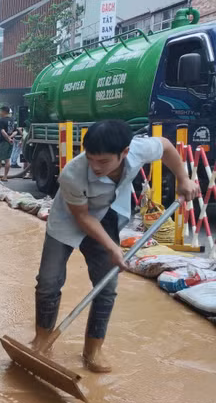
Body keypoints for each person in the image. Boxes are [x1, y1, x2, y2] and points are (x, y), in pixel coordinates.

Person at [34, 120, 198, 372]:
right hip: (68, 219)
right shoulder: (72, 173)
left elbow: (166, 146)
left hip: (107, 215)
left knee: (106, 285)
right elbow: (83, 217)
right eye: (91, 159)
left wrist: (183, 179)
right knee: (48, 282)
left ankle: (93, 349)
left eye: (103, 161)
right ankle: (41, 341)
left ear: (124, 152)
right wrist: (113, 248)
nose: (95, 167)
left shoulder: (138, 149)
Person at [0, 106, 14, 181]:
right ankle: (5, 176)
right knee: (7, 160)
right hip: (11, 142)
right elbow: (15, 131)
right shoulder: (12, 119)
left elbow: (2, 131)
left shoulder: (2, 120)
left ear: (4, 112)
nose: (0, 113)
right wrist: (10, 138)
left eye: (1, 111)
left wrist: (8, 138)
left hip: (4, 142)